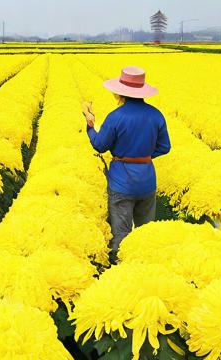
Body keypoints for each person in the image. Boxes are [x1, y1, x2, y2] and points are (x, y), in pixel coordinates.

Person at [84, 66, 171, 263]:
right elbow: (165, 147)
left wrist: (90, 127)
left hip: (121, 181)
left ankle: (120, 272)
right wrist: (143, 156)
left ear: (120, 93)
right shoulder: (156, 115)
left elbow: (100, 145)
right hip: (147, 180)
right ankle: (147, 269)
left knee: (121, 234)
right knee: (146, 233)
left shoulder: (116, 117)